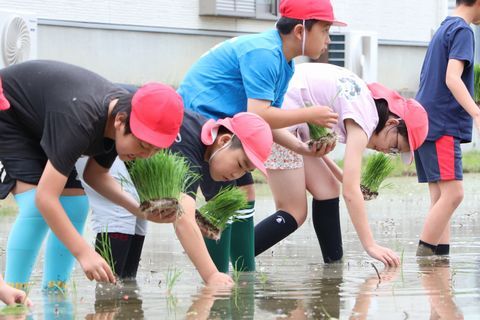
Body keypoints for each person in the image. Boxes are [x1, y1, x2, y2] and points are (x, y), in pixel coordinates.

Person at [177, 0, 344, 273]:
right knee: (226, 199)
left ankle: (241, 277)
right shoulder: (265, 53)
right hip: (200, 126)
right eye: (325, 31)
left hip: (226, 126)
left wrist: (301, 147)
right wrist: (308, 114)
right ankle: (219, 279)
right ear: (300, 32)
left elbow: (263, 119)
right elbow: (260, 113)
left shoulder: (284, 63)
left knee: (243, 195)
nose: (327, 40)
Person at [0, 60, 183, 290]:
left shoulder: (116, 118)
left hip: (45, 119)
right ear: (120, 121)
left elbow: (95, 175)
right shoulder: (82, 120)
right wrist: (84, 253)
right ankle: (13, 295)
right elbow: (45, 198)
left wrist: (140, 211)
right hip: (9, 112)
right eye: (143, 145)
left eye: (155, 150)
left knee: (76, 205)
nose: (145, 155)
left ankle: (55, 293)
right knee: (36, 207)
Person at [254, 63, 429, 266]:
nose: (388, 152)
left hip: (289, 115)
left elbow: (317, 150)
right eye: (395, 146)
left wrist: (342, 177)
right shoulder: (366, 119)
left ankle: (334, 267)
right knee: (294, 211)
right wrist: (370, 245)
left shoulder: (363, 102)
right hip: (277, 118)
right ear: (392, 124)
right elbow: (350, 192)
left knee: (327, 189)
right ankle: (238, 257)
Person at [76, 110, 273, 286]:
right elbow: (182, 222)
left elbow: (158, 185)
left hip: (117, 147)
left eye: (246, 171)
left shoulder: (202, 141)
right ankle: (107, 295)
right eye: (240, 164)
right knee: (121, 215)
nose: (237, 176)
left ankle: (123, 292)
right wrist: (212, 275)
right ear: (223, 141)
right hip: (94, 131)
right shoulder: (189, 146)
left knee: (138, 220)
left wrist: (194, 217)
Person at [414, 0, 480, 256]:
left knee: (440, 197)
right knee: (454, 195)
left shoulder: (444, 28)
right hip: (441, 124)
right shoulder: (462, 30)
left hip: (426, 121)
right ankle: (425, 257)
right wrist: (476, 112)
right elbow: (452, 78)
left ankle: (439, 269)